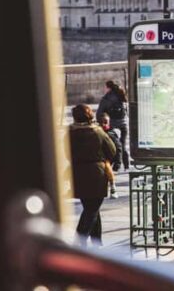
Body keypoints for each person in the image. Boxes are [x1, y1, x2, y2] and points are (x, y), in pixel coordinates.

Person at [69, 104, 116, 246]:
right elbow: (112, 151)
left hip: (77, 173)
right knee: (92, 210)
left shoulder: (70, 132)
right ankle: (79, 242)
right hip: (97, 174)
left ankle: (97, 243)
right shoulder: (97, 131)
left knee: (91, 207)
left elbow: (66, 153)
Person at [96, 80, 129, 171]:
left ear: (108, 88)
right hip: (123, 124)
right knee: (123, 145)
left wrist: (100, 123)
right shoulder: (121, 95)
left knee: (111, 145)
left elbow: (99, 113)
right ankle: (126, 166)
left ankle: (114, 165)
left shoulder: (106, 98)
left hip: (111, 124)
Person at [98, 113, 121, 198]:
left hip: (107, 158)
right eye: (101, 122)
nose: (103, 124)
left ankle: (112, 186)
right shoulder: (96, 132)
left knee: (107, 169)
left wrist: (117, 164)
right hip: (98, 157)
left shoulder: (111, 134)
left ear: (109, 122)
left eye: (105, 122)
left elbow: (119, 149)